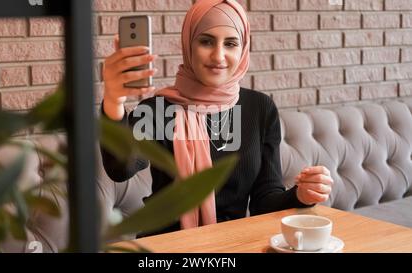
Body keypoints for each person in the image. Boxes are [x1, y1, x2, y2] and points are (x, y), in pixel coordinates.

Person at [101, 0, 334, 236]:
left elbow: (264, 200)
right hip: (165, 246)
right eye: (206, 41)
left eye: (231, 43)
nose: (218, 56)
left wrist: (301, 195)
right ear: (188, 44)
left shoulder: (260, 108)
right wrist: (113, 101)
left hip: (230, 244)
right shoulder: (157, 109)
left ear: (243, 50)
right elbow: (122, 168)